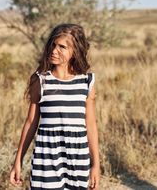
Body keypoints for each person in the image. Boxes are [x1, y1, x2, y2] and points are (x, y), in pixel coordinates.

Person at [9, 23, 100, 189]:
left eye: (62, 47)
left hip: (78, 159)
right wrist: (18, 161)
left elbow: (91, 125)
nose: (54, 50)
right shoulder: (41, 80)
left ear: (75, 51)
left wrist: (96, 165)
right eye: (53, 45)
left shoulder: (86, 82)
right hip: (46, 159)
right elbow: (30, 123)